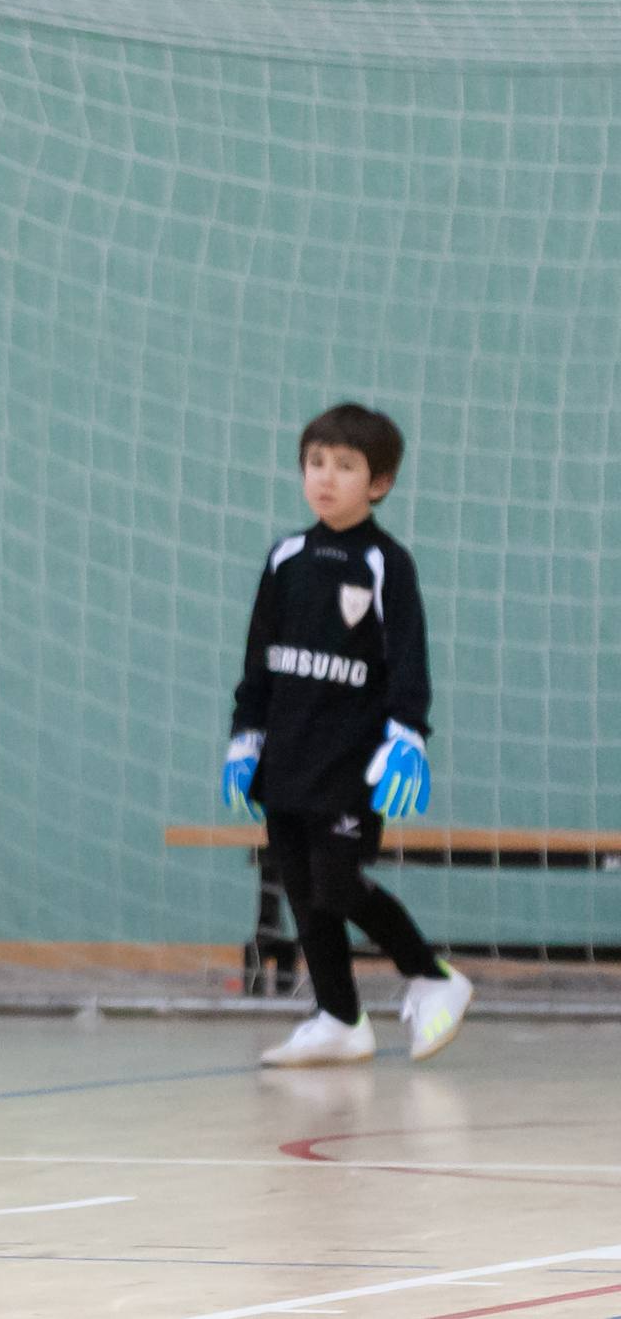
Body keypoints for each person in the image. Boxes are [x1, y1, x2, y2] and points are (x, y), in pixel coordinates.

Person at [224, 402, 474, 1068]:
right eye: (315, 462)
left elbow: (409, 660)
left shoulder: (387, 564)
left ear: (379, 483)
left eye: (344, 465)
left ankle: (433, 977)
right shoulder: (286, 558)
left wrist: (408, 734)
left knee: (335, 884)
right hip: (286, 756)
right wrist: (246, 735)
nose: (326, 477)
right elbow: (260, 659)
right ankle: (338, 1017)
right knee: (302, 892)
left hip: (351, 761)